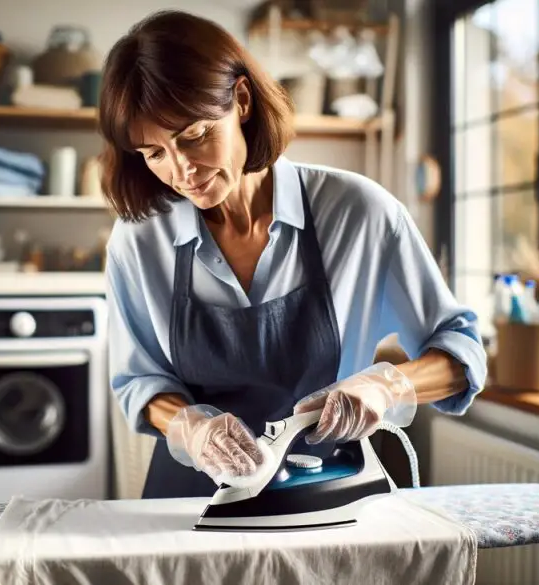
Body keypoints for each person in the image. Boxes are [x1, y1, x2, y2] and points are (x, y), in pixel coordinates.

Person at [98, 10, 487, 499]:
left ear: (241, 100)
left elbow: (461, 352)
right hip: (189, 502)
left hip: (328, 493)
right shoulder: (139, 241)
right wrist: (192, 428)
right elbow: (138, 380)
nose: (182, 171)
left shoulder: (359, 212)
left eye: (193, 137)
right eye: (153, 153)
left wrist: (382, 387)